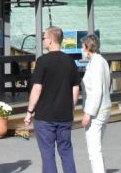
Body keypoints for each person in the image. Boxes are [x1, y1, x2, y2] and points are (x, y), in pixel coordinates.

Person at [25, 26, 80, 173]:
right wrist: (71, 108)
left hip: (45, 116)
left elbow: (37, 88)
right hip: (64, 115)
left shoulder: (43, 61)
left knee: (48, 154)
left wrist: (29, 111)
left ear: (49, 40)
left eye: (44, 38)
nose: (43, 40)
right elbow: (75, 88)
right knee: (66, 152)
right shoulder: (70, 61)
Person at [79, 34, 112, 173]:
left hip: (97, 111)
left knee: (94, 151)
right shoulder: (101, 61)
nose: (81, 49)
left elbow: (97, 91)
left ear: (87, 47)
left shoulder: (96, 64)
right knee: (96, 148)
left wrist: (88, 113)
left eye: (82, 46)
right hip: (105, 108)